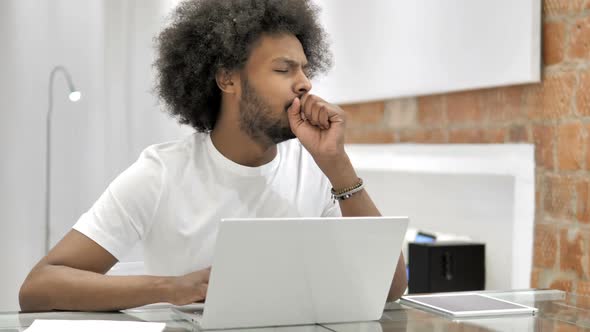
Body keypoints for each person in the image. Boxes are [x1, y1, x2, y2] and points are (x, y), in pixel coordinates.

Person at [19, 0, 407, 312]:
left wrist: (337, 165)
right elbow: (40, 285)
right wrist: (170, 288)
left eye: (305, 69)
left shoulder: (318, 169)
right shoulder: (161, 173)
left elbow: (390, 288)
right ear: (227, 79)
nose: (305, 83)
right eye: (284, 69)